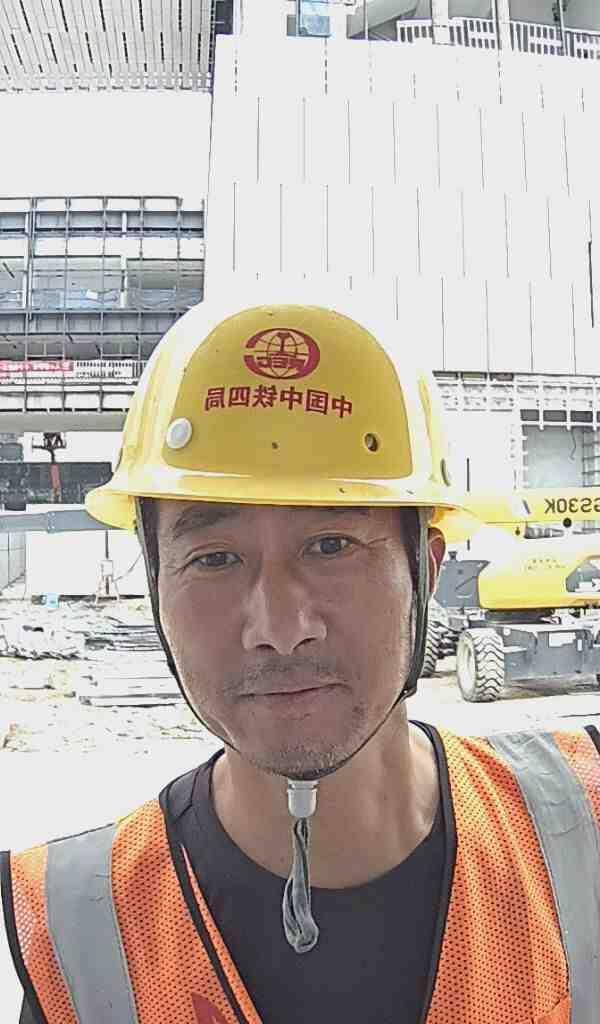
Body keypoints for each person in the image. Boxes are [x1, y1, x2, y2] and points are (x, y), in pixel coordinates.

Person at [2, 293, 599, 1024]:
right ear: (155, 583)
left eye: (331, 546)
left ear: (426, 569)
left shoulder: (582, 828)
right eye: (215, 558)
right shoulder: (81, 929)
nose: (280, 630)